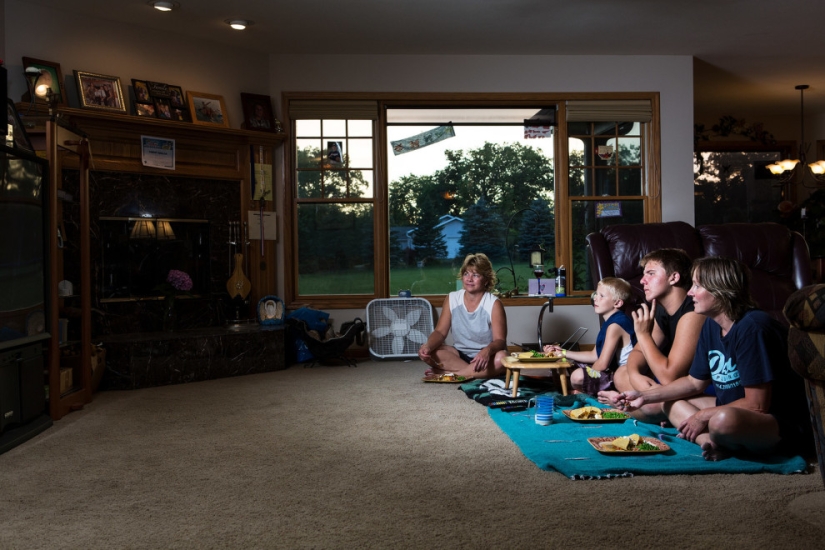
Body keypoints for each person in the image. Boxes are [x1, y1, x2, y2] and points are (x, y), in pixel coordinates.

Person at [615, 257, 812, 461]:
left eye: (697, 286)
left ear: (721, 290)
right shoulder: (711, 324)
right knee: (670, 403)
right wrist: (645, 396)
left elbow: (757, 404)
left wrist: (703, 415)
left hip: (778, 421)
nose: (690, 292)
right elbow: (694, 382)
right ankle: (710, 442)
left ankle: (724, 439)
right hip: (732, 406)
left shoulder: (753, 327)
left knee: (722, 421)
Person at [598, 248, 705, 423]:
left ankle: (633, 408)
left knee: (650, 405)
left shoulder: (693, 313)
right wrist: (635, 376)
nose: (642, 280)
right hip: (666, 383)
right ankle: (656, 408)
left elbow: (669, 376)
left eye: (651, 273)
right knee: (621, 373)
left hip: (694, 386)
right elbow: (638, 353)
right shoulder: (661, 310)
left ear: (674, 278)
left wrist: (643, 334)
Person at [418, 253, 508, 379]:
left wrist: (487, 351)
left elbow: (500, 341)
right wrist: (427, 346)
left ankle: (452, 375)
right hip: (459, 354)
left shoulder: (494, 303)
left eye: (475, 275)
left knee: (502, 358)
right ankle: (474, 372)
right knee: (432, 352)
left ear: (486, 280)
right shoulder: (452, 298)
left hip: (485, 357)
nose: (469, 279)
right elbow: (440, 332)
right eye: (466, 274)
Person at [544, 277, 636, 395]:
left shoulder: (616, 325)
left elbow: (602, 364)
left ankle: (584, 391)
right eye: (596, 294)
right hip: (612, 369)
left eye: (601, 296)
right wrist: (563, 353)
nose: (595, 298)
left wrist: (584, 374)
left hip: (623, 375)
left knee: (577, 376)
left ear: (617, 303)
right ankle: (579, 389)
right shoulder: (610, 322)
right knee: (570, 364)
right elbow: (594, 355)